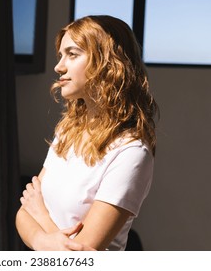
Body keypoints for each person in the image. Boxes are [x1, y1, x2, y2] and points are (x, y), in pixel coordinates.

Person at [15, 15, 159, 251]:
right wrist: (42, 240)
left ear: (108, 63)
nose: (59, 67)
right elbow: (22, 214)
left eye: (72, 54)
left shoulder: (131, 151)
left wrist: (40, 215)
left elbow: (81, 254)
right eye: (61, 55)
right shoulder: (68, 130)